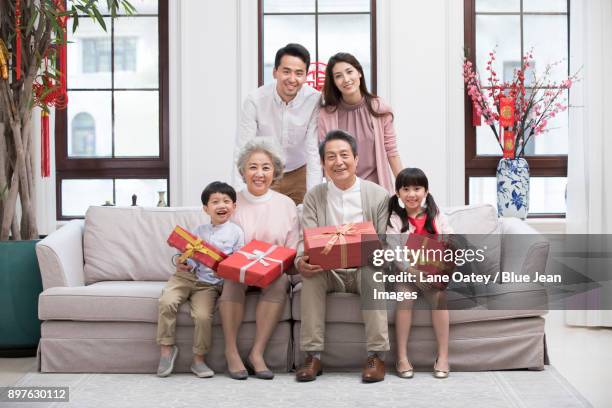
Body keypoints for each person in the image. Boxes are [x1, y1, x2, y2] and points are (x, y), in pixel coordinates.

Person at [295, 130, 390, 383]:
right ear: (324, 163)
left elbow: (384, 242)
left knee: (372, 273)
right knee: (311, 277)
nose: (338, 162)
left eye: (344, 155)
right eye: (331, 157)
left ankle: (376, 357)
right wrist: (302, 260)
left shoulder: (378, 195)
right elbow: (306, 239)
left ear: (356, 159)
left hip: (363, 268)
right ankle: (313, 356)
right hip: (329, 270)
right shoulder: (314, 196)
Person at [220, 137, 300, 380]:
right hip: (238, 271)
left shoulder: (286, 204)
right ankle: (231, 351)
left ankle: (257, 353)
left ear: (274, 171)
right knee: (233, 282)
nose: (259, 173)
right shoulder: (229, 200)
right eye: (253, 167)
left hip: (272, 271)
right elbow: (220, 239)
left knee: (280, 283)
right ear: (243, 171)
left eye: (266, 167)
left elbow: (292, 247)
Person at [156, 182, 244, 378]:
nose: (221, 205)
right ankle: (166, 351)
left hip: (209, 285)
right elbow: (182, 256)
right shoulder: (198, 230)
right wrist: (180, 261)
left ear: (234, 206)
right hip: (185, 277)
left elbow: (238, 262)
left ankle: (198, 360)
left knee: (203, 317)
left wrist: (227, 272)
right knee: (166, 302)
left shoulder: (237, 233)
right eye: (215, 202)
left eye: (226, 201)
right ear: (206, 208)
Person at [234, 43, 322, 205]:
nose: (292, 79)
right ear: (275, 72)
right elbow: (243, 149)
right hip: (265, 172)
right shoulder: (255, 100)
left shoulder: (314, 100)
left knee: (301, 223)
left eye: (299, 73)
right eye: (286, 71)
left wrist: (313, 201)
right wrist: (239, 197)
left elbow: (313, 152)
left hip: (299, 172)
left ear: (305, 76)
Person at [386, 168, 453, 379]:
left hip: (432, 272)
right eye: (406, 189)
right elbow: (393, 249)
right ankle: (402, 357)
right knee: (405, 298)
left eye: (417, 188)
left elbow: (449, 239)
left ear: (426, 191)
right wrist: (412, 271)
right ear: (398, 193)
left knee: (439, 298)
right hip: (406, 273)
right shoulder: (396, 219)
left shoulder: (436, 215)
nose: (412, 194)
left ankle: (442, 357)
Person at [319, 52, 403, 193]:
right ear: (333, 82)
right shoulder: (326, 115)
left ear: (359, 73)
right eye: (338, 76)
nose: (346, 79)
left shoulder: (379, 108)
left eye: (349, 72)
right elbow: (324, 158)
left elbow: (392, 152)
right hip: (342, 190)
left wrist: (405, 187)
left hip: (376, 189)